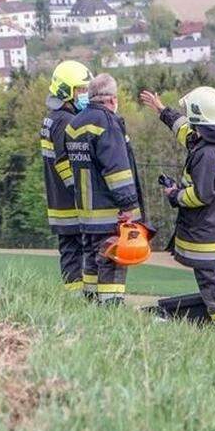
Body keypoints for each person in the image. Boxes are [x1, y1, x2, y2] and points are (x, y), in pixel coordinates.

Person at [139, 86, 215, 329]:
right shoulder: (210, 140)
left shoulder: (207, 154)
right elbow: (184, 130)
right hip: (212, 229)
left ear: (198, 117)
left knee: (213, 285)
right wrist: (163, 111)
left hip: (206, 233)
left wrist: (175, 195)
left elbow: (202, 195)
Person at [66, 73, 144, 305]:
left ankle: (90, 304)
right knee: (113, 260)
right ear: (111, 99)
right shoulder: (107, 123)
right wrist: (129, 205)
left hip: (86, 212)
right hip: (110, 212)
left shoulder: (74, 124)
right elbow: (116, 170)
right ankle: (111, 308)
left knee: (91, 259)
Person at [39, 60, 92, 294]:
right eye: (81, 90)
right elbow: (64, 163)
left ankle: (74, 296)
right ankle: (77, 299)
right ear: (66, 92)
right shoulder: (65, 121)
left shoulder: (53, 118)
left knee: (70, 252)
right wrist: (82, 193)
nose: (85, 94)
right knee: (74, 254)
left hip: (59, 202)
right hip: (70, 204)